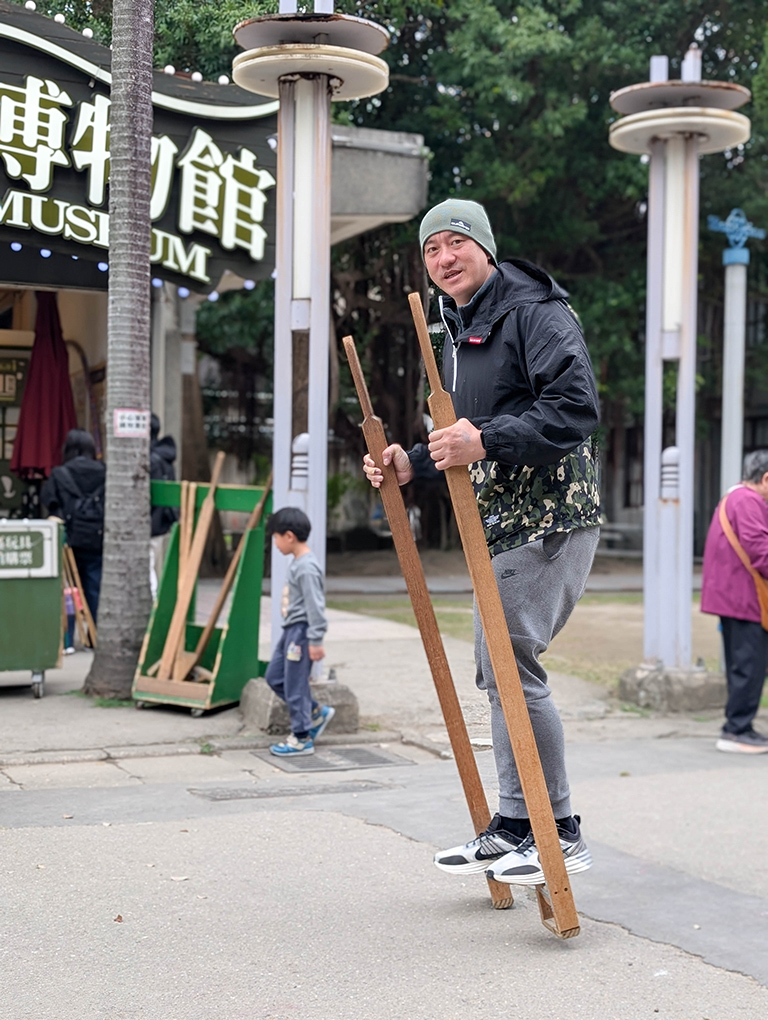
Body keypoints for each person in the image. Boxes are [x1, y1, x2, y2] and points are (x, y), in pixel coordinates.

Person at [363, 199, 601, 886]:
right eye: (432, 248)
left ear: (485, 248)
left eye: (455, 243)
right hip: (500, 521)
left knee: (510, 664)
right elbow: (465, 434)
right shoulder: (458, 329)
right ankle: (515, 824)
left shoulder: (533, 309)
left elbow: (575, 407)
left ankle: (559, 830)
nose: (443, 258)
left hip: (551, 516)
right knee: (497, 672)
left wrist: (485, 439)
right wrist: (412, 460)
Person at [701, 450, 768, 754]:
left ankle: (739, 726)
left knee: (745, 663)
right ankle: (737, 730)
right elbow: (760, 550)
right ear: (765, 478)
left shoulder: (735, 498)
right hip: (744, 598)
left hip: (734, 595)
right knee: (749, 665)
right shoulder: (749, 501)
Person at [265, 507, 334, 757]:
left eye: (276, 537)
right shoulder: (298, 563)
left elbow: (315, 606)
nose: (275, 543)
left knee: (294, 685)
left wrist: (315, 639)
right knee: (274, 677)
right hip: (291, 631)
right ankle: (315, 711)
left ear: (289, 536)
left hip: (301, 633)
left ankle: (302, 737)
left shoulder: (306, 567)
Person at [41, 428, 105, 622]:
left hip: (69, 538)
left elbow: (49, 501)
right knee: (94, 586)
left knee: (68, 587)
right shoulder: (105, 471)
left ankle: (68, 637)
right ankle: (94, 635)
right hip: (97, 537)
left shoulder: (60, 474)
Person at [149, 413, 178, 599]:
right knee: (154, 567)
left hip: (150, 525)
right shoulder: (165, 457)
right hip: (162, 525)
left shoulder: (151, 459)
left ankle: (151, 612)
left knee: (148, 571)